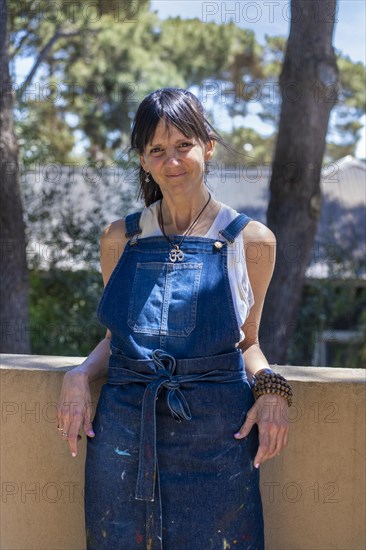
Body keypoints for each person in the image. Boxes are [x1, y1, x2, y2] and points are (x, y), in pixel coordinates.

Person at [57, 87, 292, 549]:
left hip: (218, 435)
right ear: (143, 160)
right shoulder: (119, 238)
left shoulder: (252, 241)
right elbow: (116, 338)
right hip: (124, 431)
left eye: (183, 145)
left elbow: (249, 342)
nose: (172, 161)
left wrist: (271, 389)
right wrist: (81, 373)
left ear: (207, 144)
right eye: (157, 150)